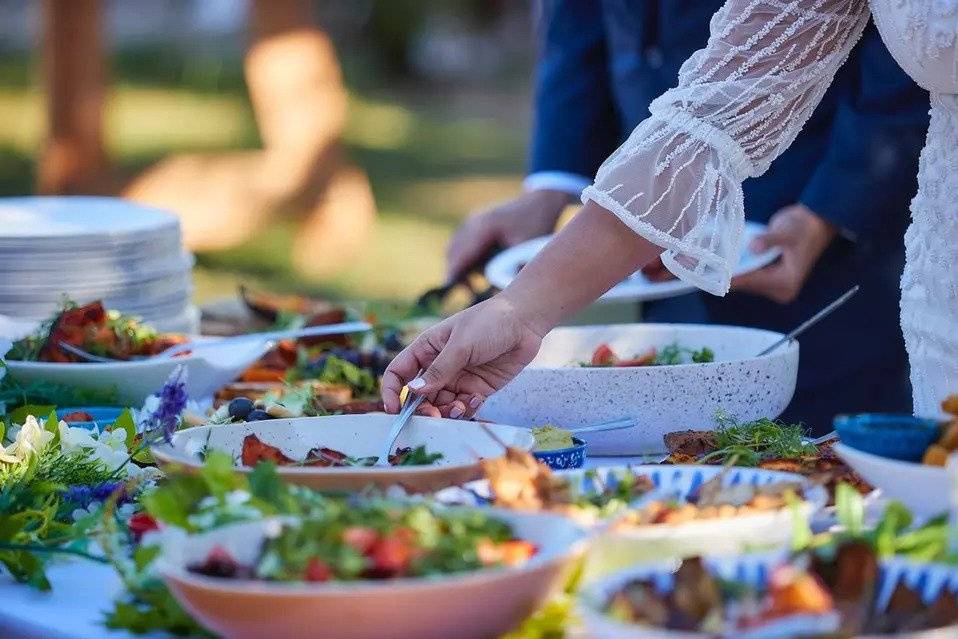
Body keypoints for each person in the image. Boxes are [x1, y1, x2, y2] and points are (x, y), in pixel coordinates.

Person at [383, 0, 957, 427]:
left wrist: (830, 206)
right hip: (665, 211)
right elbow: (713, 110)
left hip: (842, 204)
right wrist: (521, 310)